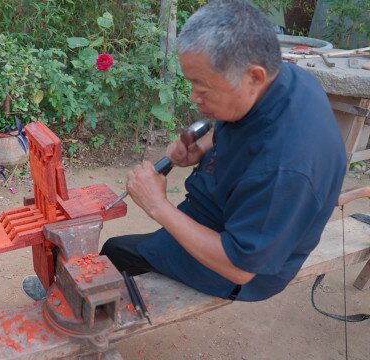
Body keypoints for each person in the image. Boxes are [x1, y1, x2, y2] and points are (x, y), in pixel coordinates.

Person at [23, 0, 346, 302]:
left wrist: (157, 205)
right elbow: (246, 127)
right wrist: (203, 146)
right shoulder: (286, 79)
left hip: (241, 269)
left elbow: (240, 267)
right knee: (132, 246)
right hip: (224, 209)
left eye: (202, 88)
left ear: (254, 76)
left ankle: (68, 297)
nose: (193, 98)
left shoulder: (285, 170)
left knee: (116, 252)